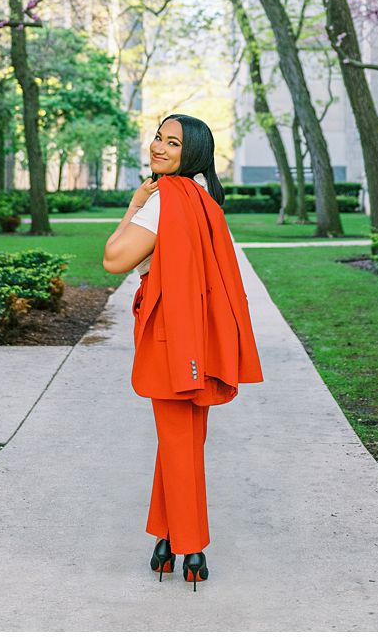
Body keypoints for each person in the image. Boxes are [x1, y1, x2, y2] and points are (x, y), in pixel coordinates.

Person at [103, 113, 263, 589]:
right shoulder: (206, 200)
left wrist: (132, 207)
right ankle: (167, 539)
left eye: (172, 143)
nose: (159, 147)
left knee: (177, 442)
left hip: (172, 340)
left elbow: (113, 259)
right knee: (185, 441)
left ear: (189, 153)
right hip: (203, 337)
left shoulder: (162, 201)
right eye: (158, 137)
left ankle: (192, 545)